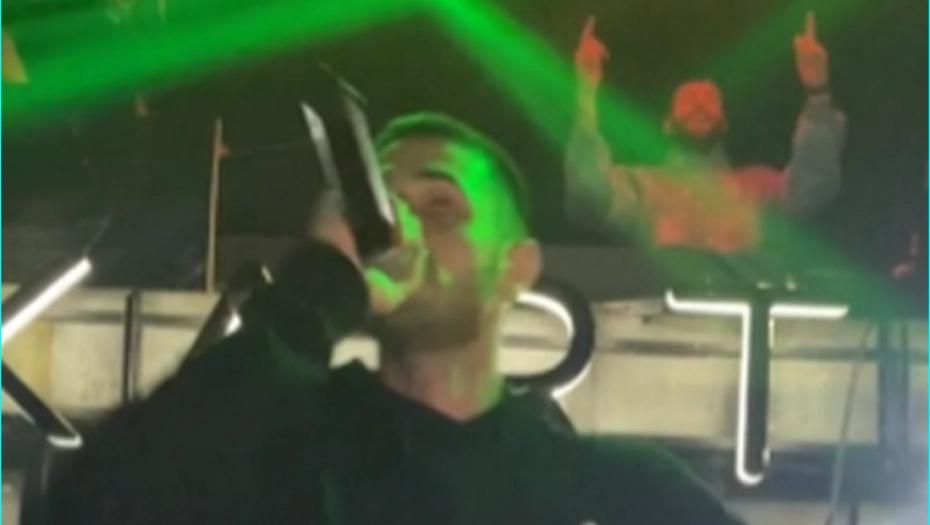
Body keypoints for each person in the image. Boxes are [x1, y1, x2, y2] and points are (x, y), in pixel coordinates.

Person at [47, 113, 746, 525]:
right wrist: (322, 284)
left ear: (518, 266)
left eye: (440, 206)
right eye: (383, 205)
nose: (404, 228)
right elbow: (97, 504)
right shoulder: (293, 445)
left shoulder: (611, 489)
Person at [566, 14, 847, 253]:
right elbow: (589, 189)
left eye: (709, 101)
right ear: (667, 123)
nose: (700, 106)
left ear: (723, 122)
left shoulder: (758, 186)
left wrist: (817, 91)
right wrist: (586, 93)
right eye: (689, 101)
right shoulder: (642, 186)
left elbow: (815, 184)